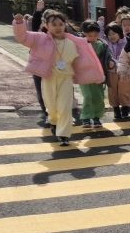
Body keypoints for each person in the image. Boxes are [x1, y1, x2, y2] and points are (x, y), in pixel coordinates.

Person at [13, 10, 104, 146]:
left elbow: (87, 61)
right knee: (51, 106)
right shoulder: (40, 38)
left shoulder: (75, 41)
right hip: (48, 78)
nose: (58, 27)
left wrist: (95, 75)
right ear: (47, 25)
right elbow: (23, 37)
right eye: (54, 24)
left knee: (65, 107)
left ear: (65, 24)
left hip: (66, 78)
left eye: (61, 24)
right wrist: (19, 23)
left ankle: (63, 134)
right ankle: (54, 122)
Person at [79, 20, 110, 128]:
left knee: (98, 96)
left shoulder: (102, 45)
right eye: (89, 35)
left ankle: (97, 117)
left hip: (98, 75)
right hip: (84, 75)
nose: (93, 37)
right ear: (84, 33)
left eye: (95, 35)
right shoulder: (80, 44)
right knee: (87, 96)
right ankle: (86, 117)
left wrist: (110, 63)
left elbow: (108, 57)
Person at [105, 22, 130, 120]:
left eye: (114, 33)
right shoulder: (106, 43)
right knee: (112, 90)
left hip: (125, 70)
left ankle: (125, 108)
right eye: (109, 34)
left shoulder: (126, 41)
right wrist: (100, 23)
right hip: (111, 70)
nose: (111, 36)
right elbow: (100, 34)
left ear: (119, 33)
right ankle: (116, 110)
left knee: (125, 89)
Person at [30, 0, 48, 126]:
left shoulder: (57, 33)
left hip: (53, 67)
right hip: (38, 66)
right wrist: (37, 11)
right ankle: (46, 112)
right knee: (41, 91)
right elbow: (35, 25)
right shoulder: (37, 34)